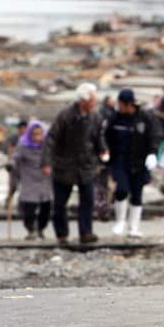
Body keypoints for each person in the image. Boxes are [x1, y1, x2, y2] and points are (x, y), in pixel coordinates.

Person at [43, 82, 108, 245]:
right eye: (92, 100)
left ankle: (86, 232)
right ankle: (62, 234)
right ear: (83, 101)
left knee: (87, 200)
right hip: (64, 165)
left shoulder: (95, 117)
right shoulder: (65, 115)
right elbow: (51, 139)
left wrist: (103, 150)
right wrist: (46, 161)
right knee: (60, 204)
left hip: (86, 165)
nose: (95, 103)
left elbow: (98, 137)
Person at [105, 88, 159, 237]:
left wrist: (153, 154)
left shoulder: (144, 118)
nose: (119, 106)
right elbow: (106, 137)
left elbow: (153, 136)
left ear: (128, 104)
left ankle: (133, 227)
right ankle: (120, 221)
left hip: (139, 161)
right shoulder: (114, 119)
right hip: (120, 160)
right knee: (122, 189)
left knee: (137, 193)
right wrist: (105, 153)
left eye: (121, 104)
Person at [8, 120, 52, 240]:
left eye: (40, 134)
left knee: (46, 207)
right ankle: (30, 229)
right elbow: (16, 157)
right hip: (29, 179)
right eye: (34, 134)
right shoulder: (23, 146)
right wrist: (11, 165)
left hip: (45, 180)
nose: (37, 137)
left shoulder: (48, 146)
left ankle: (41, 228)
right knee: (29, 208)